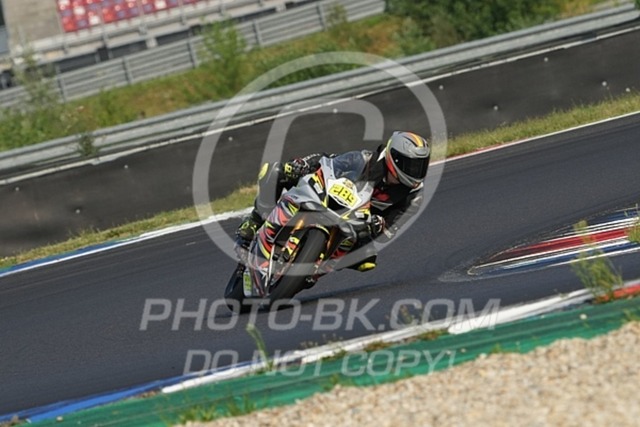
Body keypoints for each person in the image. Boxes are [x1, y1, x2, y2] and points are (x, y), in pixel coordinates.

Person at [235, 130, 431, 278]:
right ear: (394, 157)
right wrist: (303, 165)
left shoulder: (413, 196)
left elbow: (390, 230)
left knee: (367, 260)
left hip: (361, 227)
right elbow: (328, 161)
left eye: (421, 165)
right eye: (412, 165)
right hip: (333, 200)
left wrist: (379, 225)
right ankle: (254, 222)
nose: (417, 171)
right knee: (276, 171)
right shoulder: (366, 159)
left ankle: (316, 269)